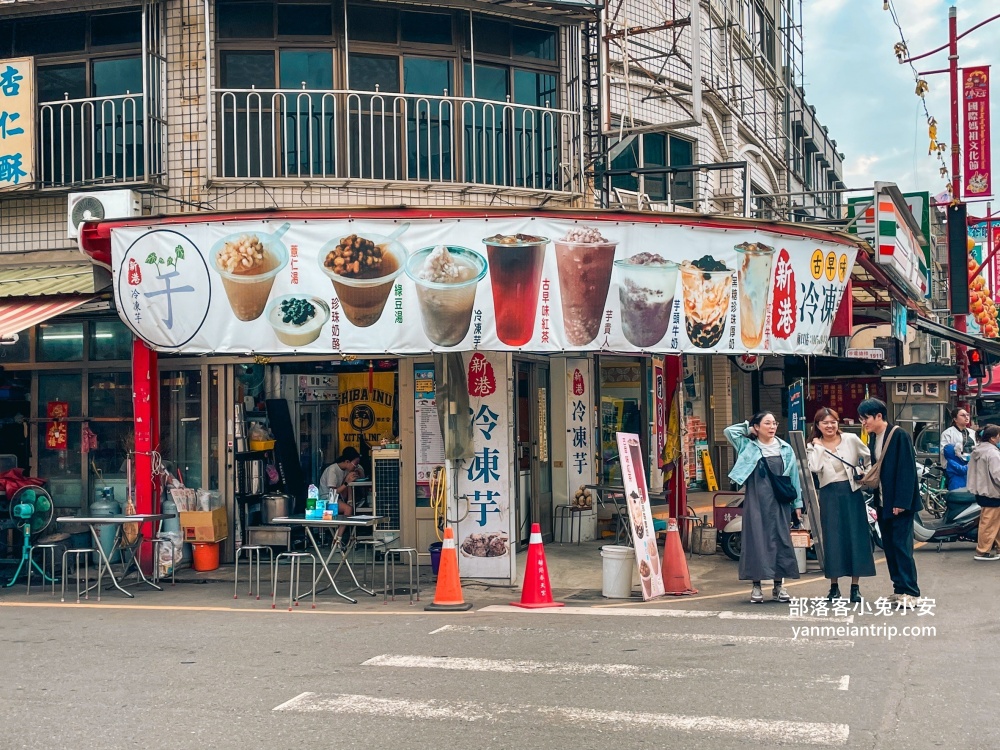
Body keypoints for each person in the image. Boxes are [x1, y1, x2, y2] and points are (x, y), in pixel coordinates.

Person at [724, 412, 802, 604]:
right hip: (756, 501)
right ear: (757, 427)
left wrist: (797, 504)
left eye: (774, 423)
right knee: (755, 541)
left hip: (780, 502)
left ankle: (779, 586)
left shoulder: (785, 448)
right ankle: (756, 586)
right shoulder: (747, 446)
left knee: (781, 540)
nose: (772, 426)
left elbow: (794, 477)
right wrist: (748, 428)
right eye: (767, 423)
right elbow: (729, 431)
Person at [806, 407, 876, 603]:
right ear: (817, 426)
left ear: (838, 423)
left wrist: (865, 473)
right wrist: (818, 446)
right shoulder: (813, 446)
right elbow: (815, 467)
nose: (830, 426)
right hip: (829, 495)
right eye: (825, 422)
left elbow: (868, 456)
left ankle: (855, 587)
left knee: (857, 538)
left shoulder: (851, 439)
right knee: (833, 539)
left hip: (852, 493)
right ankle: (834, 587)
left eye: (833, 422)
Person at [858, 398, 921, 608]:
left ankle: (911, 591)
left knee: (902, 547)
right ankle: (899, 589)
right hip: (883, 502)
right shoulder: (873, 438)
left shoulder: (898, 435)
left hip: (899, 503)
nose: (863, 422)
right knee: (890, 547)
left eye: (865, 418)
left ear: (878, 416)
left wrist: (901, 501)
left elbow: (907, 470)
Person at [966, 425, 1000, 561]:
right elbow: (998, 475)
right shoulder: (993, 453)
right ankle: (983, 551)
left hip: (982, 491)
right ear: (992, 438)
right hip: (993, 492)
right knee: (989, 523)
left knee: (994, 522)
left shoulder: (978, 450)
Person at [319, 446, 362, 515]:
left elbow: (349, 486)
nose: (356, 467)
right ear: (347, 461)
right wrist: (346, 483)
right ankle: (342, 526)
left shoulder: (346, 470)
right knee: (348, 509)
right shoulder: (332, 470)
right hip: (326, 499)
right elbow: (332, 493)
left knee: (351, 507)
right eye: (355, 464)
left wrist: (350, 501)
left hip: (338, 498)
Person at [940, 408, 976, 491]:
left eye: (967, 415)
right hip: (955, 466)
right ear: (955, 419)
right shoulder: (948, 433)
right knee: (957, 492)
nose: (966, 417)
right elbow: (944, 450)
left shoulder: (972, 432)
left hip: (972, 466)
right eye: (963, 415)